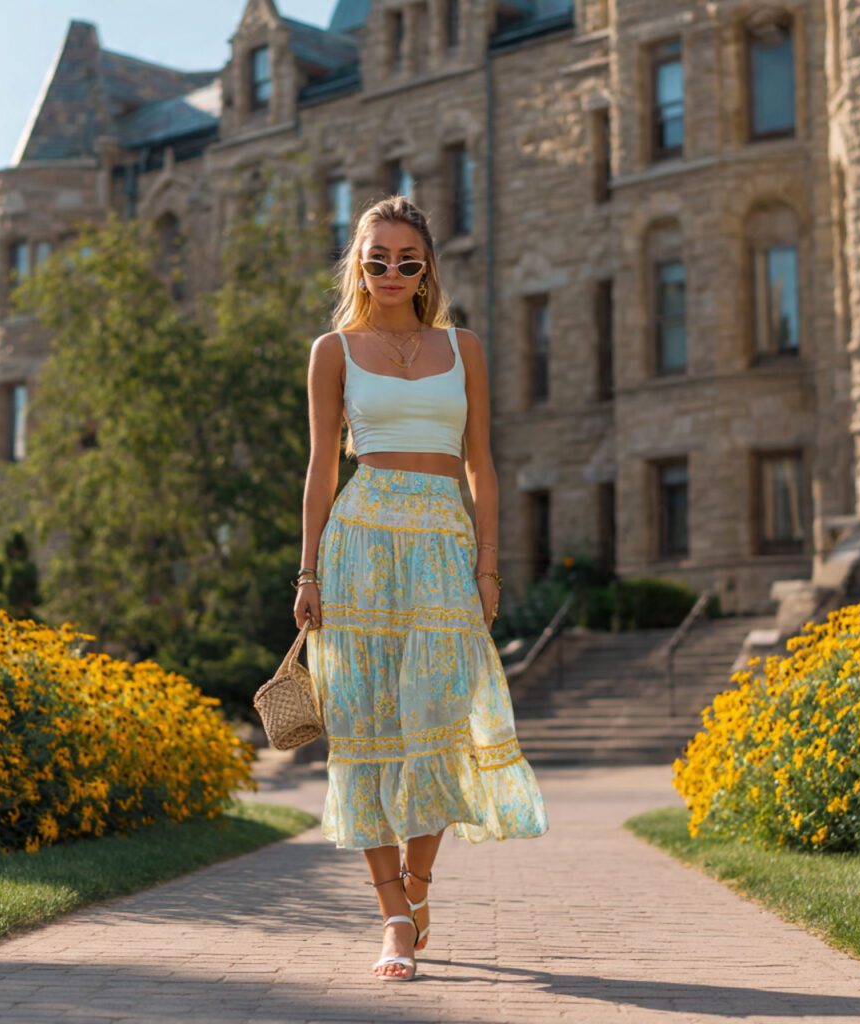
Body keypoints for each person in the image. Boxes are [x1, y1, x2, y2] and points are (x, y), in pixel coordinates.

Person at [294, 195, 548, 982]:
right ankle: (394, 917)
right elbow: (321, 470)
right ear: (358, 264)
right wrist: (307, 571)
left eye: (408, 259)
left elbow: (482, 466)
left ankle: (419, 883)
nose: (393, 272)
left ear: (428, 265)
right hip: (360, 542)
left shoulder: (461, 346)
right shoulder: (333, 350)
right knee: (367, 729)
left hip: (443, 542)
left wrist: (489, 564)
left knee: (436, 719)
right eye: (377, 259)